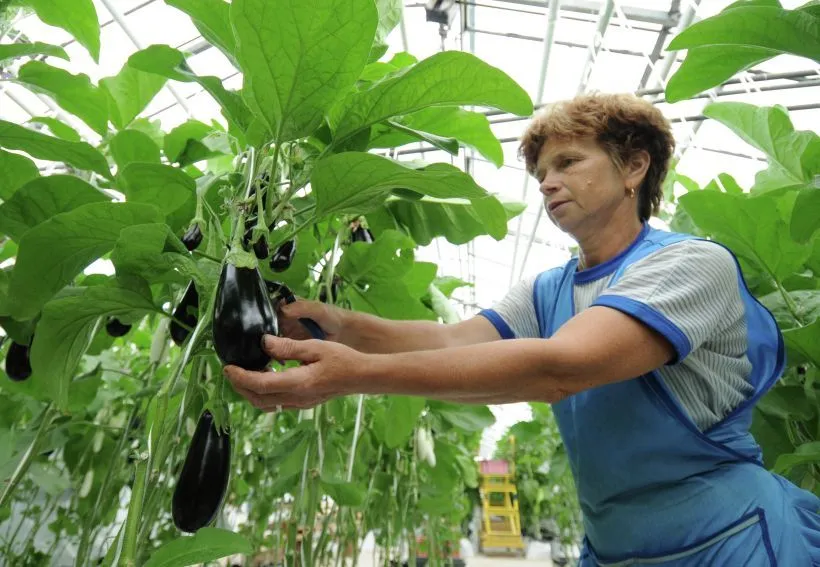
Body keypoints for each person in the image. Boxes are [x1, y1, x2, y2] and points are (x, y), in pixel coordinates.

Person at [224, 93, 820, 565]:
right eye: (539, 172)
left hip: (729, 541)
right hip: (615, 548)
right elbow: (452, 342)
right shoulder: (549, 289)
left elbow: (561, 367)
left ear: (635, 165)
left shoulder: (688, 264)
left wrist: (357, 376)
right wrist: (337, 324)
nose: (546, 183)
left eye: (567, 162)